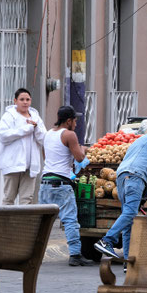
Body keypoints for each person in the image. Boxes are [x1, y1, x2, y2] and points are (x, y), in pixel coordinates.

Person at [94, 126, 147, 263]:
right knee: (131, 213)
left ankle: (128, 263)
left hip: (121, 177)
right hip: (135, 177)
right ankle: (106, 240)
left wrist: (143, 198)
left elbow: (146, 173)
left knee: (128, 222)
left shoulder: (139, 142)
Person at [39, 106, 94, 267]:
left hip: (45, 183)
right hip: (62, 184)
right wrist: (83, 149)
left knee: (43, 222)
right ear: (68, 121)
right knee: (70, 220)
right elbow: (79, 158)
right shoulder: (69, 135)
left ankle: (35, 253)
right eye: (75, 120)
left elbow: (46, 156)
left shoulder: (48, 134)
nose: (76, 123)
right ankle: (75, 254)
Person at [0, 88, 47, 205]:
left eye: (27, 99)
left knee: (27, 199)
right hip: (13, 164)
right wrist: (26, 129)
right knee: (9, 198)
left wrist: (36, 128)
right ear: (15, 101)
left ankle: (23, 223)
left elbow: (44, 139)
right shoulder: (9, 116)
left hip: (30, 166)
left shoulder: (35, 117)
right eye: (22, 99)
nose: (25, 102)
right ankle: (6, 223)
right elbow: (3, 136)